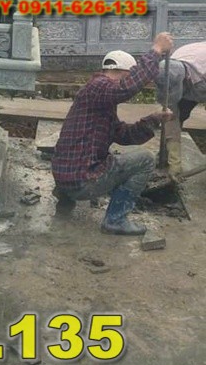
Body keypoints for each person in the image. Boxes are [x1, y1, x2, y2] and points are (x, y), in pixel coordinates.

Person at [51, 32, 174, 235]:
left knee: (111, 158)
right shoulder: (99, 85)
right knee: (145, 160)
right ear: (124, 72)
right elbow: (128, 87)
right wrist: (157, 50)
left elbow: (124, 135)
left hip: (66, 177)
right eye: (129, 75)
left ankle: (66, 197)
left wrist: (153, 120)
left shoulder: (99, 100)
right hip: (80, 181)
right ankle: (115, 220)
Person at [155, 41, 206, 176]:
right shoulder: (169, 67)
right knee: (173, 116)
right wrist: (175, 162)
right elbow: (171, 116)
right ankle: (167, 157)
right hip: (192, 78)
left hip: (200, 79)